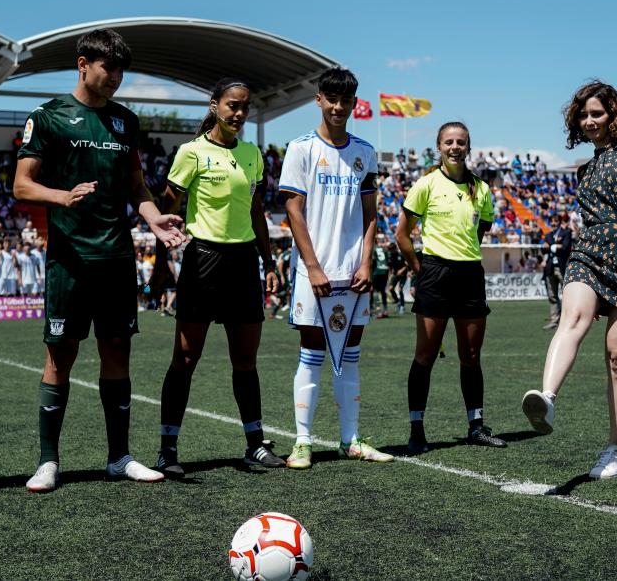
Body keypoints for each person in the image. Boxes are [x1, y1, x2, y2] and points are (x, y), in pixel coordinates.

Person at [14, 28, 185, 492]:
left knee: (117, 353)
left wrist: (153, 219)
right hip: (69, 259)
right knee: (60, 357)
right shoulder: (48, 117)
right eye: (108, 67)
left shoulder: (126, 121)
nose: (115, 77)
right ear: (83, 64)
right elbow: (22, 184)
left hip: (114, 257)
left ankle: (120, 457)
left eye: (121, 69)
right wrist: (61, 197)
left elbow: (135, 187)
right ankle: (49, 462)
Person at [521, 81, 617, 479]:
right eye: (584, 115)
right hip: (589, 253)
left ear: (614, 116)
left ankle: (614, 448)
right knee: (574, 318)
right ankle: (548, 398)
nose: (590, 121)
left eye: (597, 114)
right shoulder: (584, 169)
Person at [149, 77, 284, 478]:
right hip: (202, 259)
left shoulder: (251, 154)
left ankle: (255, 445)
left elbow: (257, 211)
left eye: (244, 107)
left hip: (244, 263)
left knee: (245, 360)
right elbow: (165, 213)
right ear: (214, 106)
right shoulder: (191, 153)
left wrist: (270, 261)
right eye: (232, 106)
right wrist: (161, 265)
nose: (239, 113)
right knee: (185, 359)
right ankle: (167, 449)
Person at [277, 67, 393, 470]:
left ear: (354, 103)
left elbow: (369, 213)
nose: (339, 107)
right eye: (333, 99)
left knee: (351, 356)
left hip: (353, 273)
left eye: (347, 101)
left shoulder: (364, 151)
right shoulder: (301, 148)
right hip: (315, 273)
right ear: (319, 100)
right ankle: (303, 442)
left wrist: (365, 262)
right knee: (311, 353)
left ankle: (351, 440)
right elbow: (293, 211)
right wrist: (312, 267)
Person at [396, 121, 506, 454]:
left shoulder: (482, 189)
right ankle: (417, 429)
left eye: (461, 142)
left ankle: (476, 426)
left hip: (470, 275)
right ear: (439, 147)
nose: (455, 146)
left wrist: (464, 256)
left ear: (468, 147)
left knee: (471, 355)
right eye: (449, 142)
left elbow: (481, 229)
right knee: (425, 355)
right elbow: (402, 234)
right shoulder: (426, 184)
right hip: (435, 273)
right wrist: (420, 269)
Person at [542, 215, 573, 330]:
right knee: (552, 295)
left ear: (560, 222)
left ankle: (569, 319)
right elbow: (543, 249)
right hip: (550, 268)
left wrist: (550, 246)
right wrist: (555, 246)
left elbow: (565, 248)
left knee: (567, 294)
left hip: (562, 267)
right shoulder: (549, 235)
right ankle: (555, 320)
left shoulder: (566, 233)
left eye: (555, 221)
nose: (553, 223)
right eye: (552, 221)